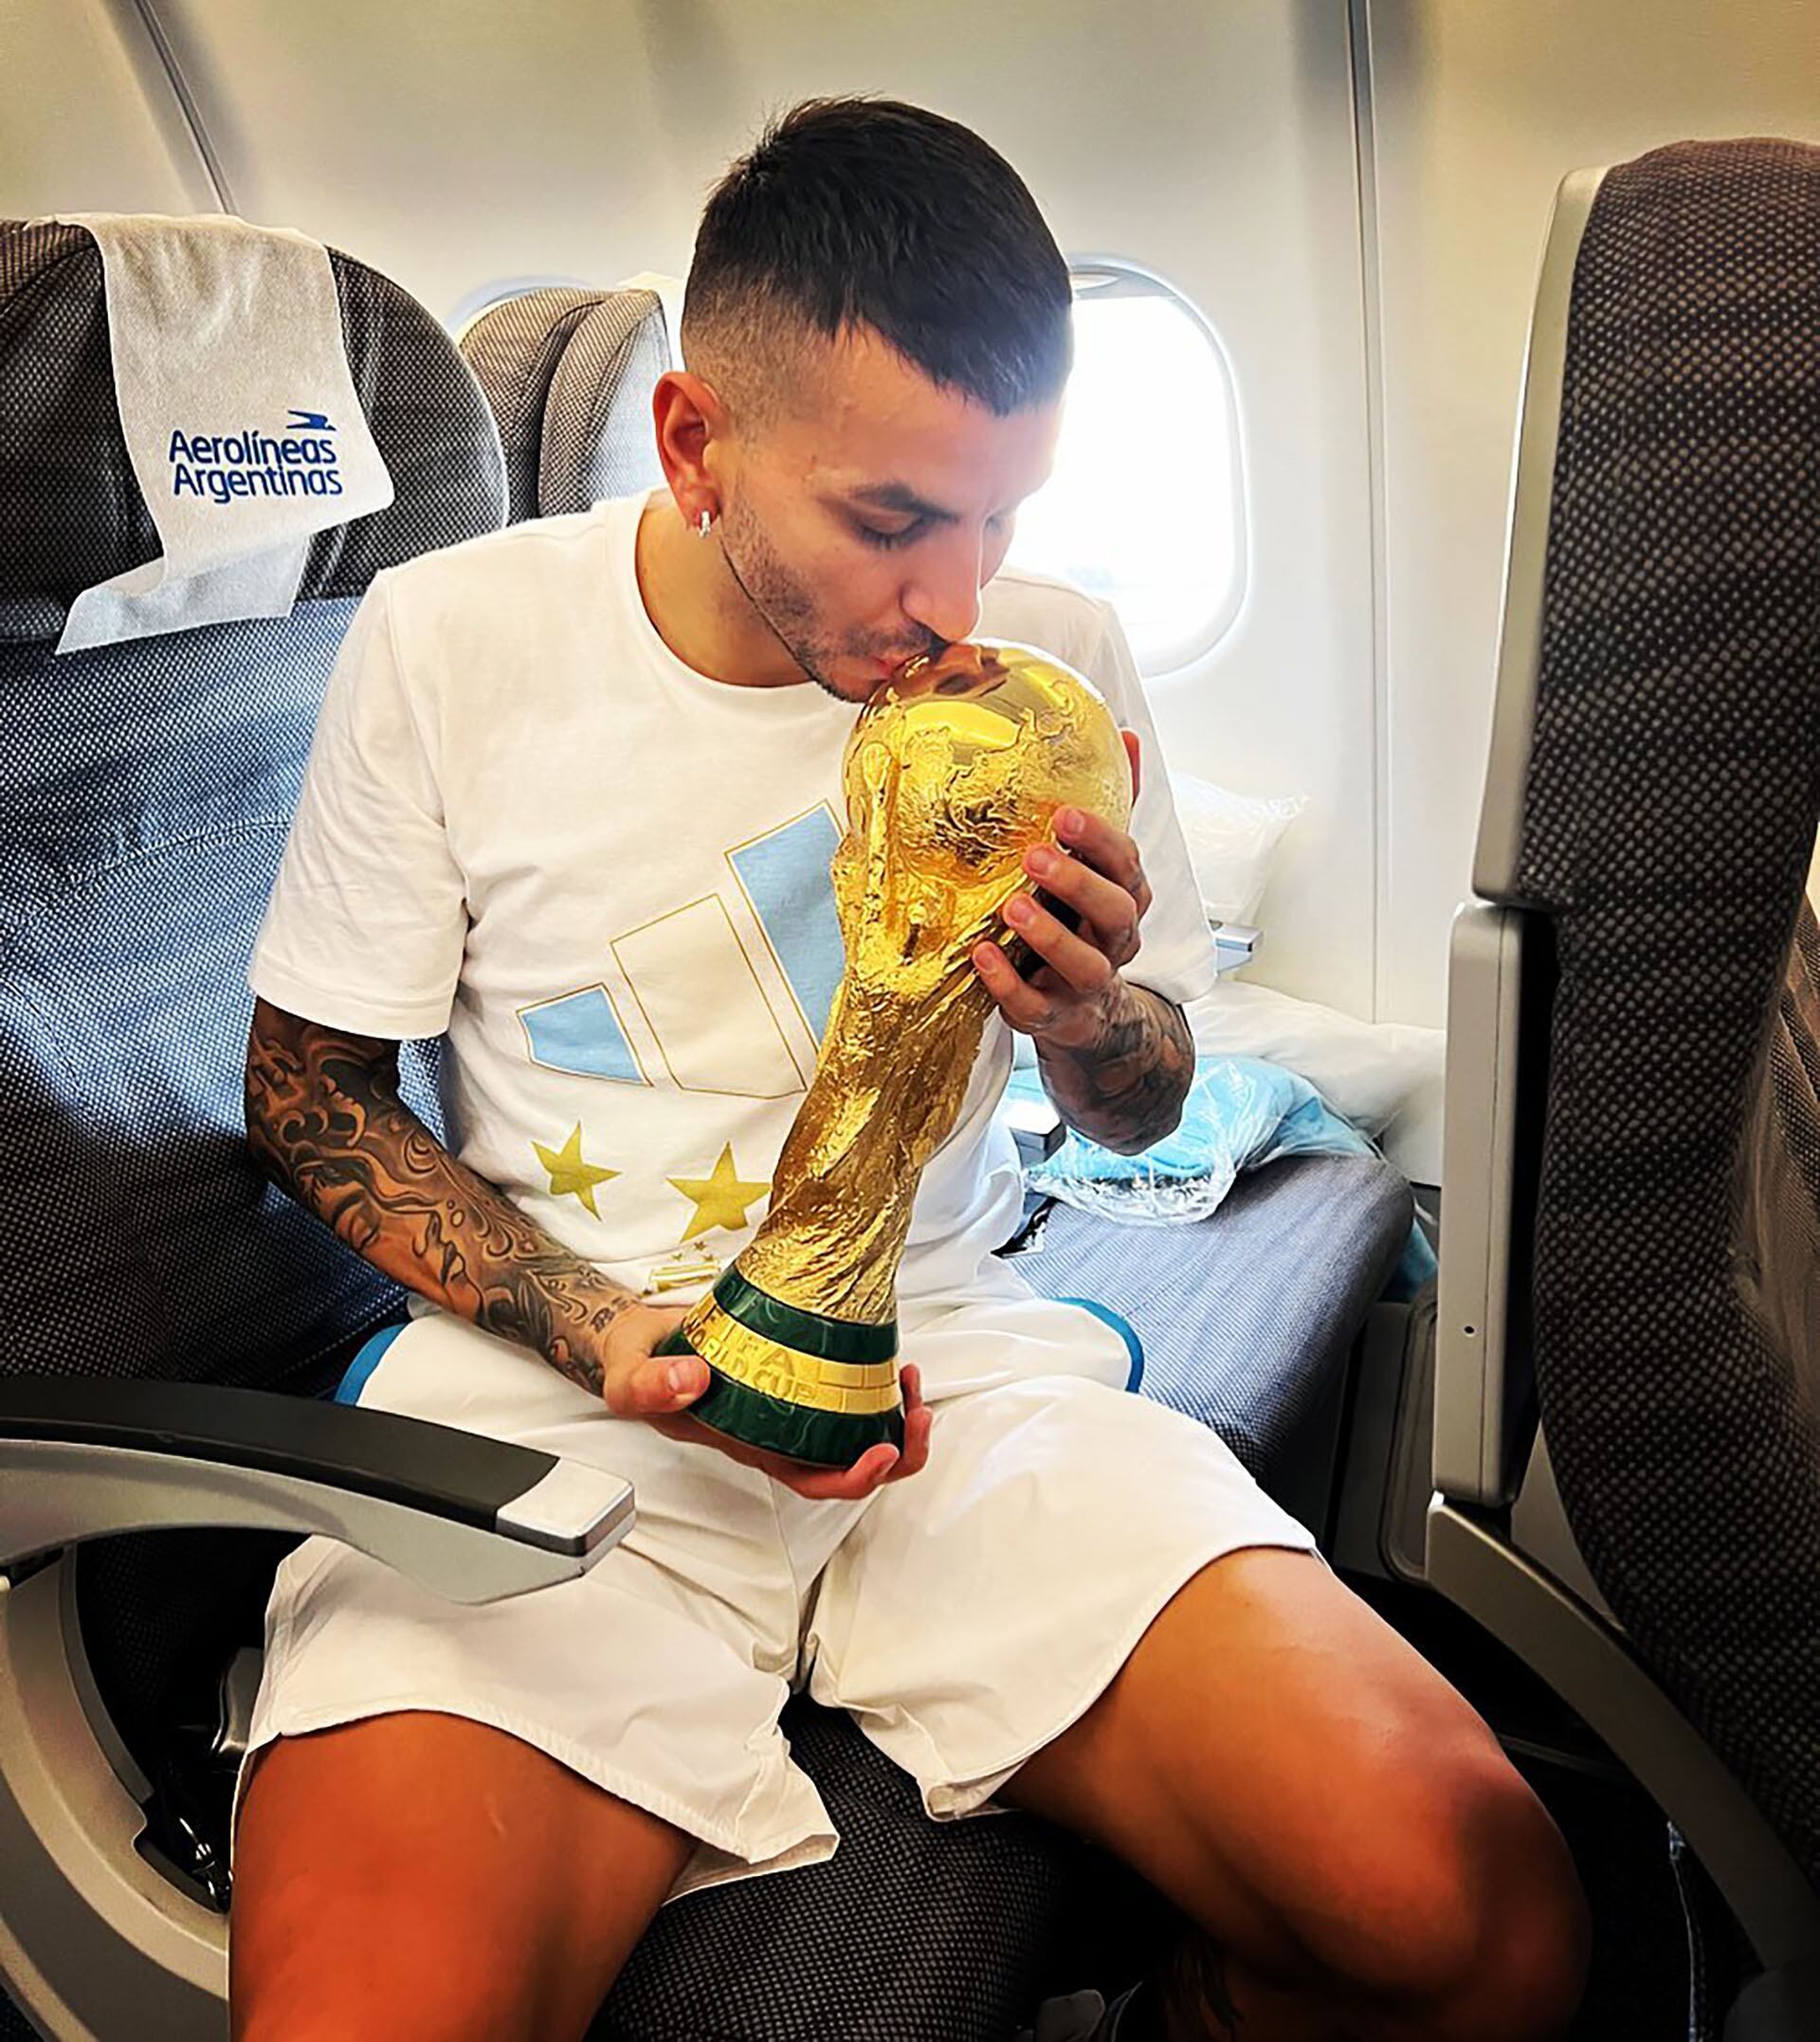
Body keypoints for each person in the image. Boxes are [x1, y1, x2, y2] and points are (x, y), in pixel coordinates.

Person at [229, 96, 1587, 2042]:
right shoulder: (455, 644)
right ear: (697, 443)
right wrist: (597, 1328)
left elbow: (1147, 1099)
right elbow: (307, 1090)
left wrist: (1098, 1019)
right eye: (892, 520)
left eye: (1004, 514)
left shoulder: (1060, 659)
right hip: (565, 1404)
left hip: (952, 1369)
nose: (961, 597)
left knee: (1480, 1917)